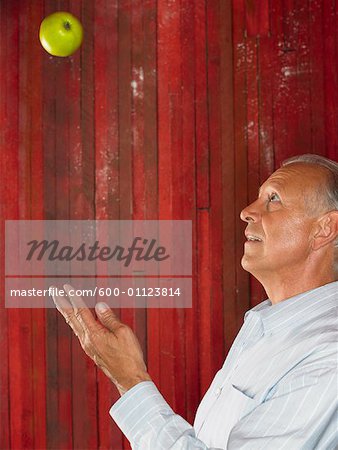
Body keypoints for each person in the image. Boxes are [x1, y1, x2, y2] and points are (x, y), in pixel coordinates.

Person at [52, 154, 338, 449]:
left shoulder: (329, 356)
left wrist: (130, 379)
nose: (247, 212)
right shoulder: (266, 327)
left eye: (273, 199)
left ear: (324, 229)